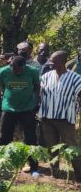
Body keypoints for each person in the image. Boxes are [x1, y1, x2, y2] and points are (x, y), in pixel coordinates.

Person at [39, 51, 81, 181]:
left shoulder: (75, 78)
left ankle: (79, 174)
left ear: (62, 62)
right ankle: (55, 174)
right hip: (47, 118)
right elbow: (41, 94)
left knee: (72, 148)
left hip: (65, 119)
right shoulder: (46, 76)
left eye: (53, 61)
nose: (50, 63)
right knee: (51, 147)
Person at [0, 55, 40, 176]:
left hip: (27, 108)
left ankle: (34, 167)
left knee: (31, 138)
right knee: (4, 137)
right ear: (10, 65)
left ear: (24, 67)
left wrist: (36, 102)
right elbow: (2, 86)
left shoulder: (33, 71)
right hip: (9, 108)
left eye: (19, 70)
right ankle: (0, 163)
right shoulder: (3, 71)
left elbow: (36, 87)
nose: (16, 72)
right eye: (13, 69)